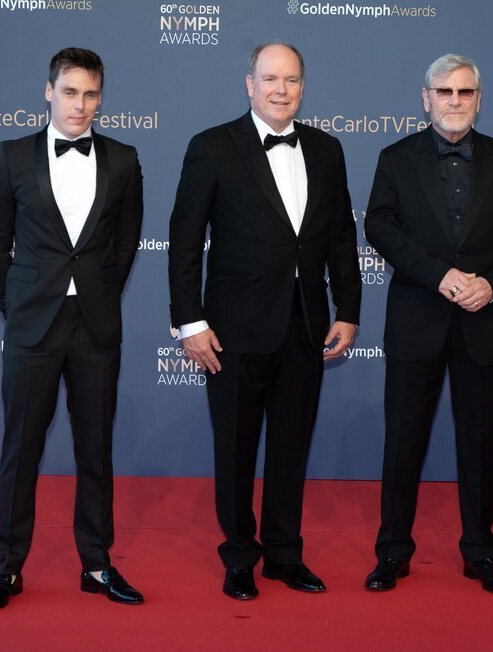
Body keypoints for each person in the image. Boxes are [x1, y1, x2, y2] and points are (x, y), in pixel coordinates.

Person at [168, 42, 361, 600]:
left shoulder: (327, 149)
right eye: (270, 78)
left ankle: (283, 554)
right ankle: (238, 557)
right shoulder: (212, 147)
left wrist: (347, 309)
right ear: (248, 83)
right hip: (231, 331)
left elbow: (341, 239)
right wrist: (189, 321)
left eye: (292, 80)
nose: (282, 90)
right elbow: (184, 242)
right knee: (234, 447)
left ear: (303, 86)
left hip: (305, 326)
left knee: (291, 447)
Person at [363, 54, 493, 593]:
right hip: (417, 318)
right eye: (445, 91)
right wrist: (439, 275)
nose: (455, 100)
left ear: (479, 99)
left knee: (480, 445)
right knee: (402, 445)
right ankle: (392, 551)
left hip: (481, 323)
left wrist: (491, 282)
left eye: (465, 92)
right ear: (426, 98)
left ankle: (481, 552)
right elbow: (380, 227)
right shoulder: (395, 157)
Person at [0, 48, 144, 610]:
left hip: (94, 327)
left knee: (96, 449)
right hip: (32, 325)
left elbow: (126, 245)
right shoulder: (11, 156)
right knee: (20, 449)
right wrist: (17, 303)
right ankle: (7, 568)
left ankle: (96, 565)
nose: (81, 105)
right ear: (48, 91)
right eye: (70, 92)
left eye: (91, 94)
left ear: (101, 97)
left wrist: (97, 296)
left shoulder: (123, 159)